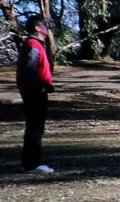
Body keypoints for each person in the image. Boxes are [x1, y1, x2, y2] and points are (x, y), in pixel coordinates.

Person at [16, 15, 55, 174]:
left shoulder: (36, 44)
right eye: (44, 25)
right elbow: (30, 70)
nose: (47, 28)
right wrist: (39, 88)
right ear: (37, 28)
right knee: (35, 127)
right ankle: (33, 164)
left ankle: (29, 162)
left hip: (34, 90)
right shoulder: (33, 44)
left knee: (35, 126)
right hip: (34, 92)